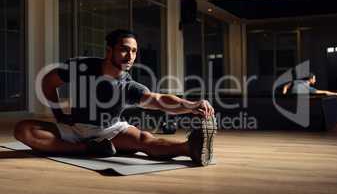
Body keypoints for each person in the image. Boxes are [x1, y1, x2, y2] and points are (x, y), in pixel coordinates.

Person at [14, 29, 217, 166]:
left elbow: (157, 100)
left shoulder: (128, 86)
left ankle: (190, 148)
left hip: (111, 131)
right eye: (124, 50)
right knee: (23, 130)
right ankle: (88, 148)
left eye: (134, 52)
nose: (130, 57)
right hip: (76, 128)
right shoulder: (81, 67)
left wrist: (190, 105)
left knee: (145, 140)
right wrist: (58, 114)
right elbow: (48, 82)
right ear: (109, 50)